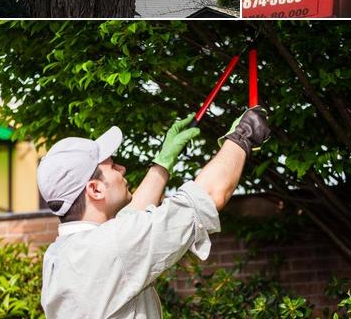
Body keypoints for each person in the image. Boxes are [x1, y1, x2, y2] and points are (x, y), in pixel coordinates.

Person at [37, 107, 269, 318]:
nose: (122, 169)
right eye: (112, 165)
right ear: (95, 189)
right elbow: (206, 197)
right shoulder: (112, 245)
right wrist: (242, 136)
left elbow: (130, 221)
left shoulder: (59, 254)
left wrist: (163, 162)